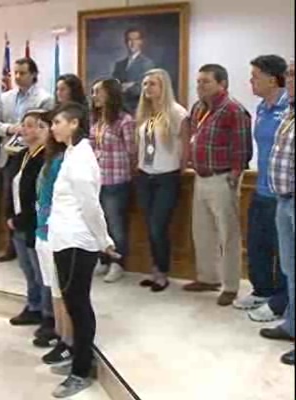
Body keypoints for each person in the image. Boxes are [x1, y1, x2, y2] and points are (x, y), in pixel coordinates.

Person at [47, 102, 118, 398]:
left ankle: (81, 371)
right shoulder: (72, 153)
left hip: (78, 241)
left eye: (57, 122)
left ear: (74, 123)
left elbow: (90, 205)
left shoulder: (81, 159)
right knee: (72, 302)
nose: (53, 127)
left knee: (79, 305)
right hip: (65, 238)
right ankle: (80, 357)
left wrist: (104, 241)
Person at [183, 64, 252, 307]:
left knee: (228, 234)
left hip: (223, 179)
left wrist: (234, 176)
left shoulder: (233, 109)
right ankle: (208, 278)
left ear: (222, 84)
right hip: (200, 177)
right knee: (202, 231)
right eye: (198, 81)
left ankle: (231, 286)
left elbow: (242, 149)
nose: (200, 86)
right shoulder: (198, 107)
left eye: (206, 82)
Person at [233, 56, 289, 321]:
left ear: (271, 78)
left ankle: (281, 302)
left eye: (255, 76)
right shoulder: (262, 108)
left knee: (284, 251)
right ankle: (262, 290)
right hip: (261, 186)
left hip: (284, 192)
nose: (251, 81)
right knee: (257, 243)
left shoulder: (288, 106)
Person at [0, 57, 54, 262]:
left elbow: (45, 126)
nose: (17, 76)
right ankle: (12, 245)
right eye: (15, 73)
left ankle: (30, 243)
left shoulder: (44, 98)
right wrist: (10, 128)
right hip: (9, 155)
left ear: (33, 74)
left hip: (33, 154)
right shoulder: (6, 97)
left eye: (22, 73)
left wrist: (27, 131)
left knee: (29, 199)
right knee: (10, 200)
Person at [134, 69, 188, 291]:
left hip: (166, 177)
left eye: (153, 84)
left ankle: (163, 272)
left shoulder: (177, 113)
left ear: (163, 86)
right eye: (145, 84)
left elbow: (185, 146)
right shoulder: (145, 113)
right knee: (149, 226)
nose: (148, 88)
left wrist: (181, 172)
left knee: (158, 226)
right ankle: (155, 269)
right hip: (145, 176)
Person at [260, 58, 294, 366]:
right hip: (284, 199)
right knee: (290, 268)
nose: (289, 79)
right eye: (289, 74)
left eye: (294, 75)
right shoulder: (289, 114)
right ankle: (292, 325)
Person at [6, 110, 52, 335]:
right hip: (18, 221)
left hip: (33, 223)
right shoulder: (23, 154)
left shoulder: (45, 157)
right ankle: (33, 305)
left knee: (41, 271)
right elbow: (14, 186)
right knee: (28, 269)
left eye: (30, 125)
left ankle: (48, 314)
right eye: (23, 125)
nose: (24, 129)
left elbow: (37, 196)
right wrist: (10, 216)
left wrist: (21, 219)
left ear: (43, 129)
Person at [89, 79, 136, 283]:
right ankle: (104, 258)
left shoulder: (124, 121)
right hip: (97, 180)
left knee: (116, 224)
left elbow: (133, 151)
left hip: (116, 180)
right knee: (101, 223)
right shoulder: (97, 121)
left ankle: (118, 263)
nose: (94, 96)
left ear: (110, 94)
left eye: (98, 92)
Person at [35, 120, 74, 363]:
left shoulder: (65, 160)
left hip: (55, 231)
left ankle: (68, 340)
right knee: (54, 289)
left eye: (47, 125)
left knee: (62, 291)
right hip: (42, 229)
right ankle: (60, 333)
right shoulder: (50, 160)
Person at [112, 27, 155, 114]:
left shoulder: (147, 63)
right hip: (120, 110)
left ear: (141, 42)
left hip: (138, 110)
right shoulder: (119, 65)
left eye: (135, 39)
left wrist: (128, 87)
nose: (132, 43)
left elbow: (144, 88)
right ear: (125, 42)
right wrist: (130, 84)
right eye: (129, 40)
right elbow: (113, 86)